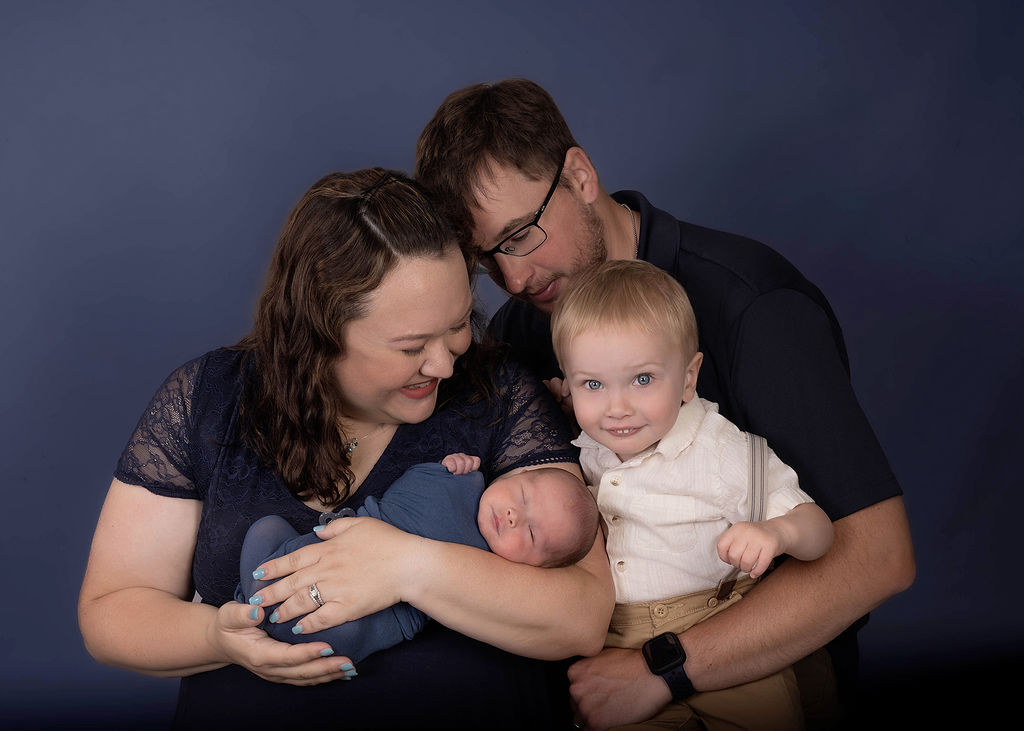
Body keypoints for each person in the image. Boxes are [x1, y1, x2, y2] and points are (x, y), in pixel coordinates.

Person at [415, 78, 915, 728]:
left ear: (580, 175)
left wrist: (665, 666)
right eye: (487, 257)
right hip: (585, 666)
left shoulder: (750, 307)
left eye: (523, 234)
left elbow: (878, 555)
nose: (513, 279)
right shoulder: (523, 327)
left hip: (753, 675)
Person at [78, 168, 614, 729]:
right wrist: (220, 638)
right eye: (412, 346)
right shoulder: (208, 399)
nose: (446, 362)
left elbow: (581, 615)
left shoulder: (497, 393)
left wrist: (408, 566)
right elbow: (111, 612)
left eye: (458, 325)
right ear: (320, 333)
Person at [552, 259, 833, 729]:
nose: (616, 408)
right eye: (593, 384)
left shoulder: (721, 450)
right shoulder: (585, 450)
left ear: (688, 377)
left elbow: (820, 531)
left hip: (721, 637)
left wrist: (778, 531)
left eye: (642, 379)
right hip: (617, 648)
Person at [236, 453, 599, 663]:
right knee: (267, 529)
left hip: (363, 617)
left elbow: (575, 622)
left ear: (536, 568)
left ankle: (264, 618)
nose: (512, 516)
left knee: (343, 634)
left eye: (531, 533)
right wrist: (453, 464)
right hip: (302, 558)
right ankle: (250, 600)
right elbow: (415, 480)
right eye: (521, 494)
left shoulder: (496, 571)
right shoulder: (466, 479)